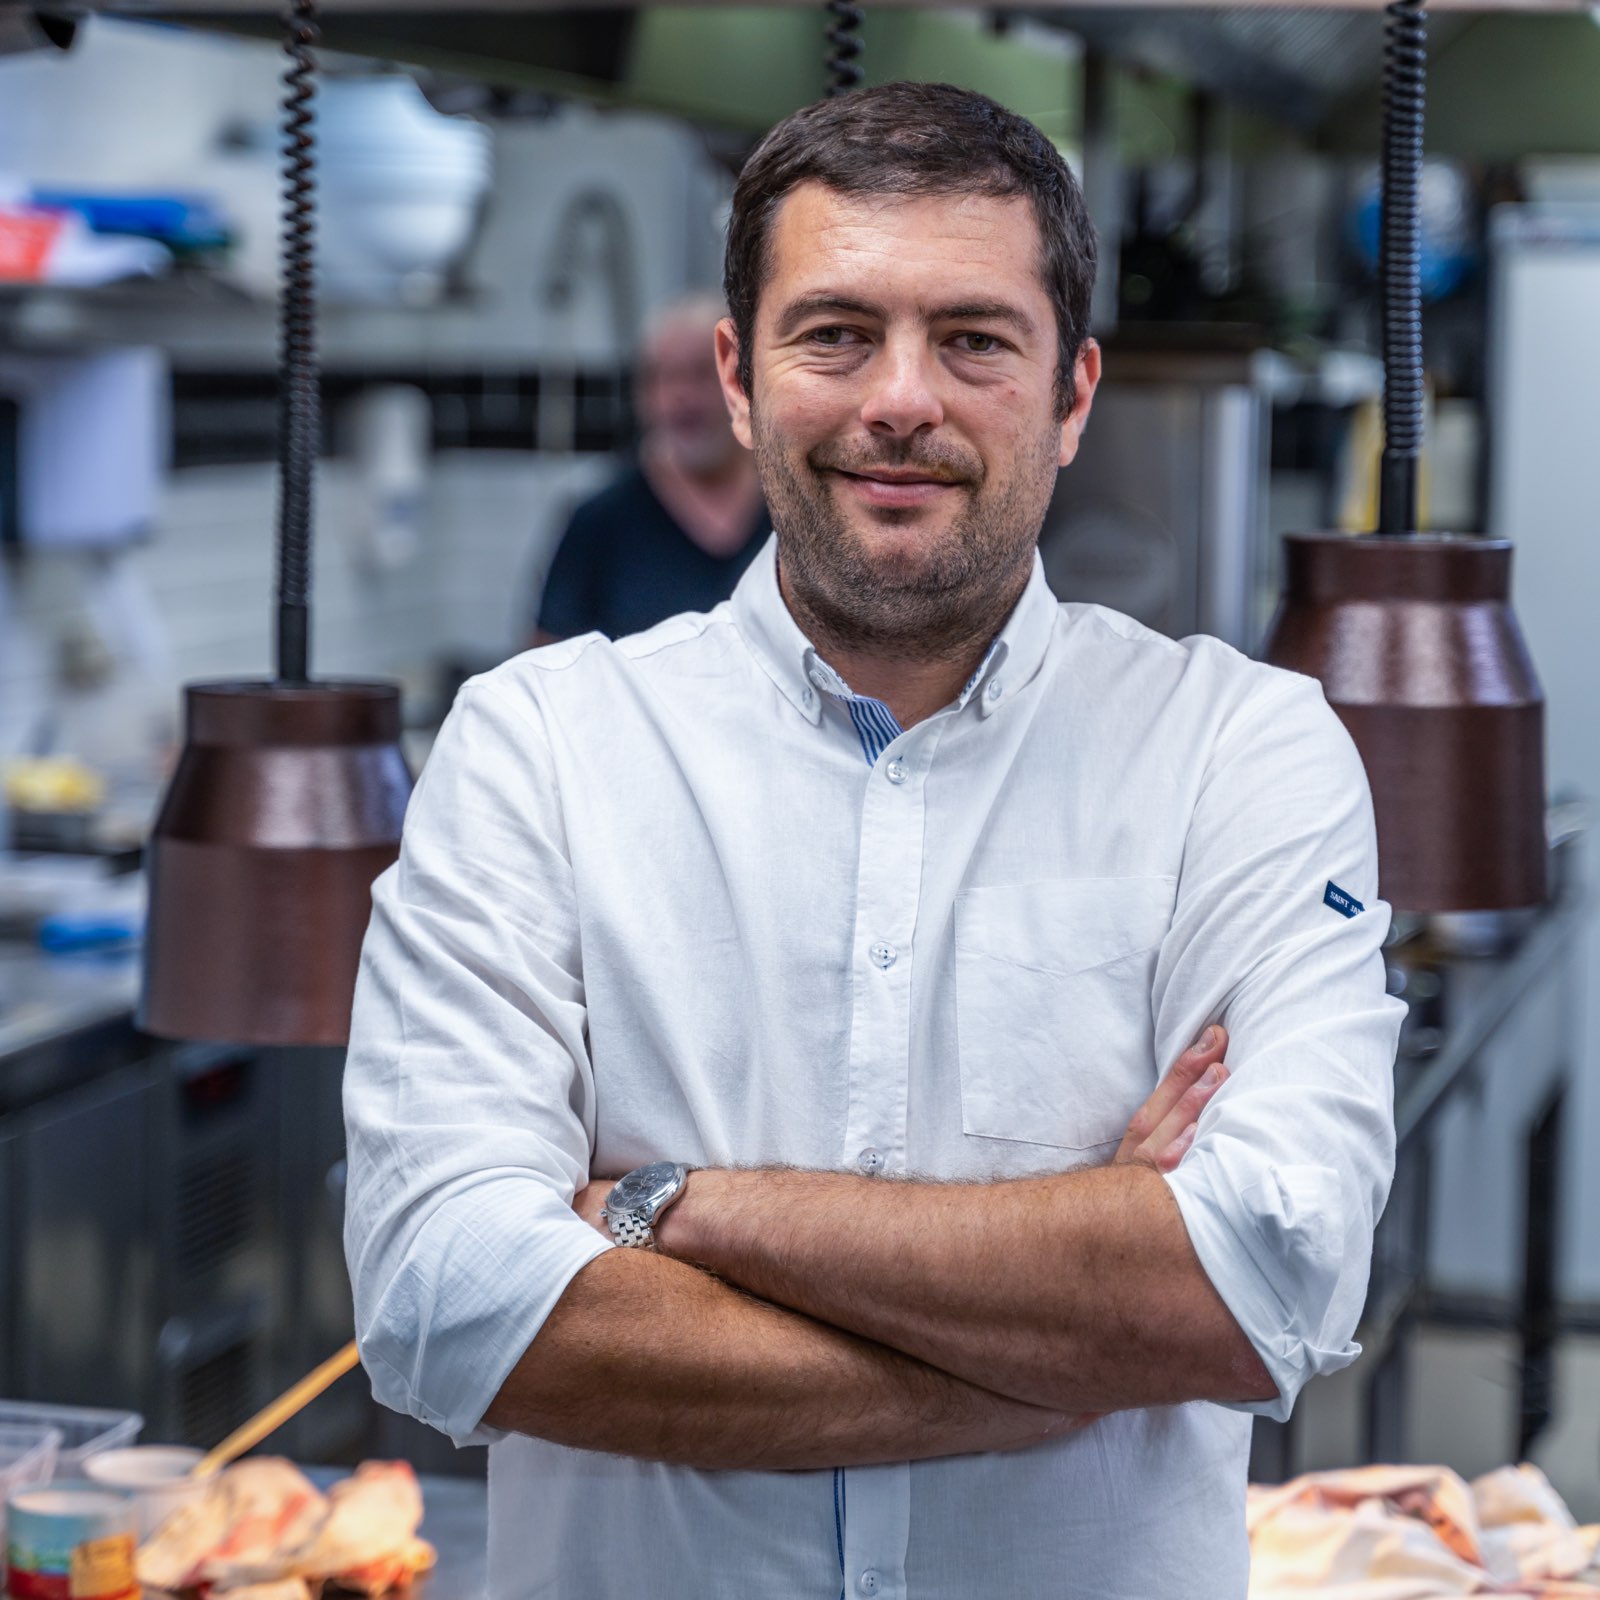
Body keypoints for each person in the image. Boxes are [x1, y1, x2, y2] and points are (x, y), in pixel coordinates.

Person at [345, 82, 1402, 1599]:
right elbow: (450, 1302)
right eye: (834, 333)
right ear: (737, 376)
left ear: (1074, 392)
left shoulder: (1240, 748)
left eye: (974, 339)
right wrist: (1078, 1334)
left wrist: (668, 1210)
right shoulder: (538, 748)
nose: (899, 398)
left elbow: (1265, 1278)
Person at [531, 293, 768, 643]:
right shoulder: (599, 520)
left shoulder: (791, 504)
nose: (682, 395)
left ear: (741, 384)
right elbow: (545, 661)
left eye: (702, 373)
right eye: (664, 377)